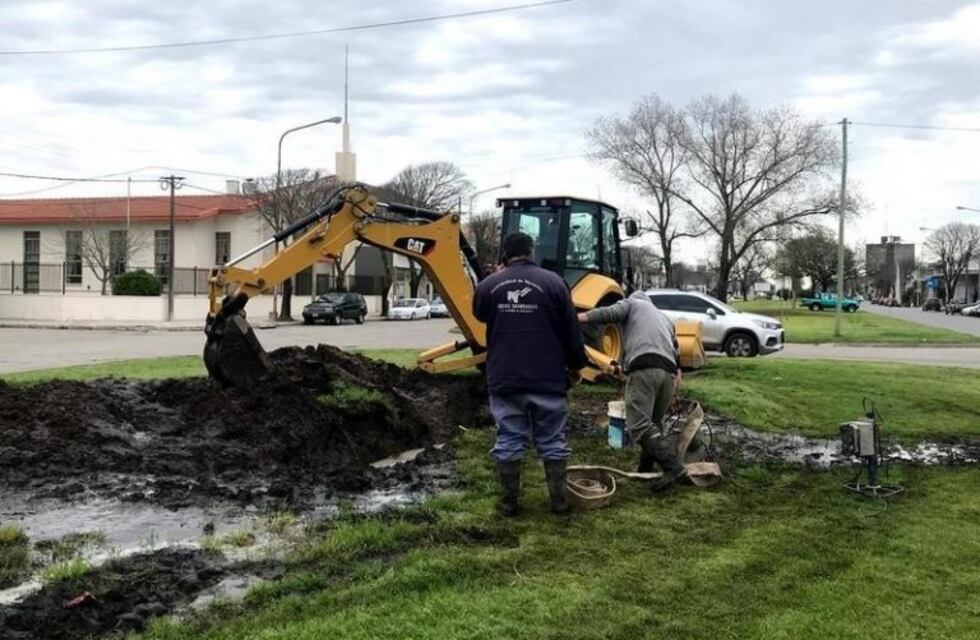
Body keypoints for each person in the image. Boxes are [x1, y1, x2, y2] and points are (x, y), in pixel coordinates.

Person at [473, 232, 587, 516]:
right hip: (548, 377)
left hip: (506, 377)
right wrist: (576, 365)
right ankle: (559, 503)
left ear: (504, 255)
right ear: (531, 251)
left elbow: (479, 314)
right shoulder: (556, 284)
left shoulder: (489, 285)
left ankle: (509, 504)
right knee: (553, 440)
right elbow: (571, 330)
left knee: (509, 438)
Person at [579, 291, 686, 491]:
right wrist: (678, 373)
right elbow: (676, 347)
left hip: (645, 367)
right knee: (654, 423)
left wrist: (579, 317)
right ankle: (645, 470)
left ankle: (673, 467)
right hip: (668, 374)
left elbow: (609, 313)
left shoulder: (632, 304)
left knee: (638, 424)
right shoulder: (663, 318)